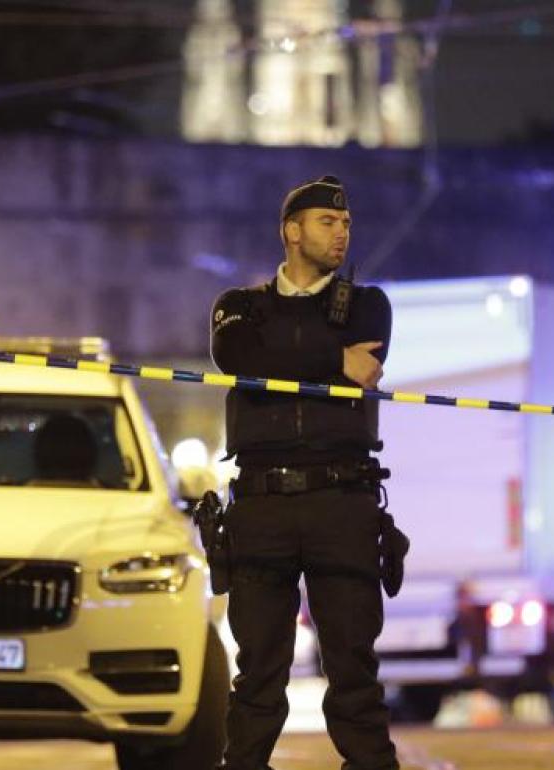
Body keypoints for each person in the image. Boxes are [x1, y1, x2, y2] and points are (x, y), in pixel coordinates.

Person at [209, 175, 401, 770]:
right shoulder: (238, 307)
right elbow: (237, 358)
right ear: (292, 231)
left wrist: (299, 361)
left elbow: (359, 364)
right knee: (259, 674)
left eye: (345, 224)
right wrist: (330, 361)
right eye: (327, 222)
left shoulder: (366, 304)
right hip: (262, 504)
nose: (341, 232)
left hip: (341, 501)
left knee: (352, 671)